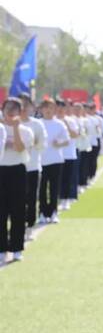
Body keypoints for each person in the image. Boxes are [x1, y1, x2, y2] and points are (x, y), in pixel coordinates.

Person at [0, 98, 34, 263]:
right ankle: (1, 248)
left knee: (18, 210)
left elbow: (20, 148)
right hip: (1, 170)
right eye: (7, 108)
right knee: (1, 211)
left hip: (17, 170)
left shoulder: (26, 131)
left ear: (20, 112)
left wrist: (15, 129)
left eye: (14, 109)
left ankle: (16, 248)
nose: (10, 112)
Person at [19, 95, 46, 241]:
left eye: (26, 105)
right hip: (14, 168)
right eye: (20, 105)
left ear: (31, 107)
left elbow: (42, 145)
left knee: (31, 199)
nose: (23, 109)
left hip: (33, 167)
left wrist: (33, 142)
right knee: (15, 201)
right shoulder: (7, 124)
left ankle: (29, 226)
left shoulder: (37, 124)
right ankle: (17, 227)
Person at [39, 99, 70, 224]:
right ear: (41, 110)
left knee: (54, 188)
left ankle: (53, 212)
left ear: (54, 109)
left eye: (51, 108)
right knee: (41, 189)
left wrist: (60, 143)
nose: (48, 110)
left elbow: (67, 140)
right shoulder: (38, 123)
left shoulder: (59, 124)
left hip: (56, 160)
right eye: (45, 108)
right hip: (40, 161)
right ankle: (42, 213)